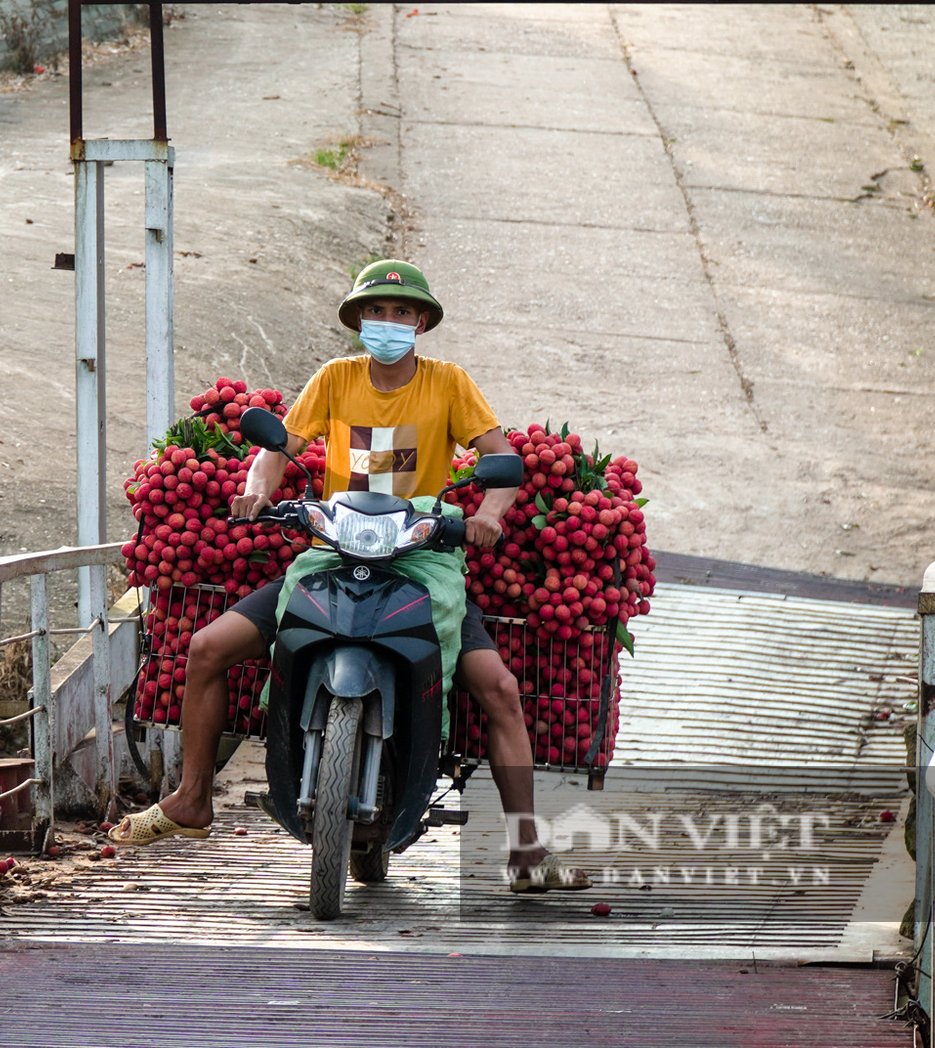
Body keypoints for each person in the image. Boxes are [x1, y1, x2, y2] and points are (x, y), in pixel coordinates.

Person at [107, 260, 588, 891]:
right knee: (205, 648)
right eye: (376, 311)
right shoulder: (335, 378)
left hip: (421, 556)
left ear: (421, 322)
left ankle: (527, 849)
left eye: (401, 312)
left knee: (498, 688)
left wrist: (489, 515)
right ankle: (193, 795)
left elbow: (500, 459)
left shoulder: (449, 383)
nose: (388, 322)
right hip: (335, 546)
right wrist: (256, 492)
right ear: (360, 319)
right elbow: (275, 449)